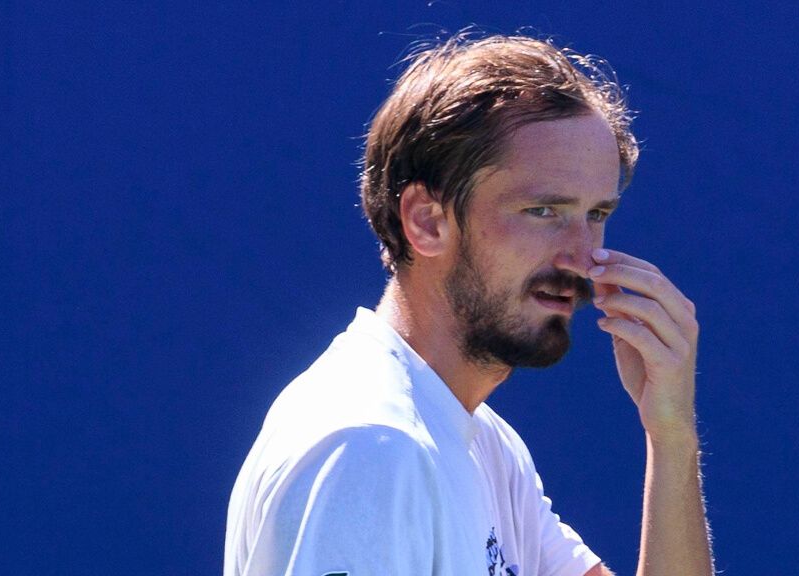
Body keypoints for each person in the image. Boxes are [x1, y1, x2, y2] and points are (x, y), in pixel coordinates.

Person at [225, 33, 713, 576]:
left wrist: (671, 437)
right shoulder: (370, 449)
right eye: (542, 211)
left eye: (596, 214)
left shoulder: (483, 443)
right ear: (427, 221)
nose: (582, 256)